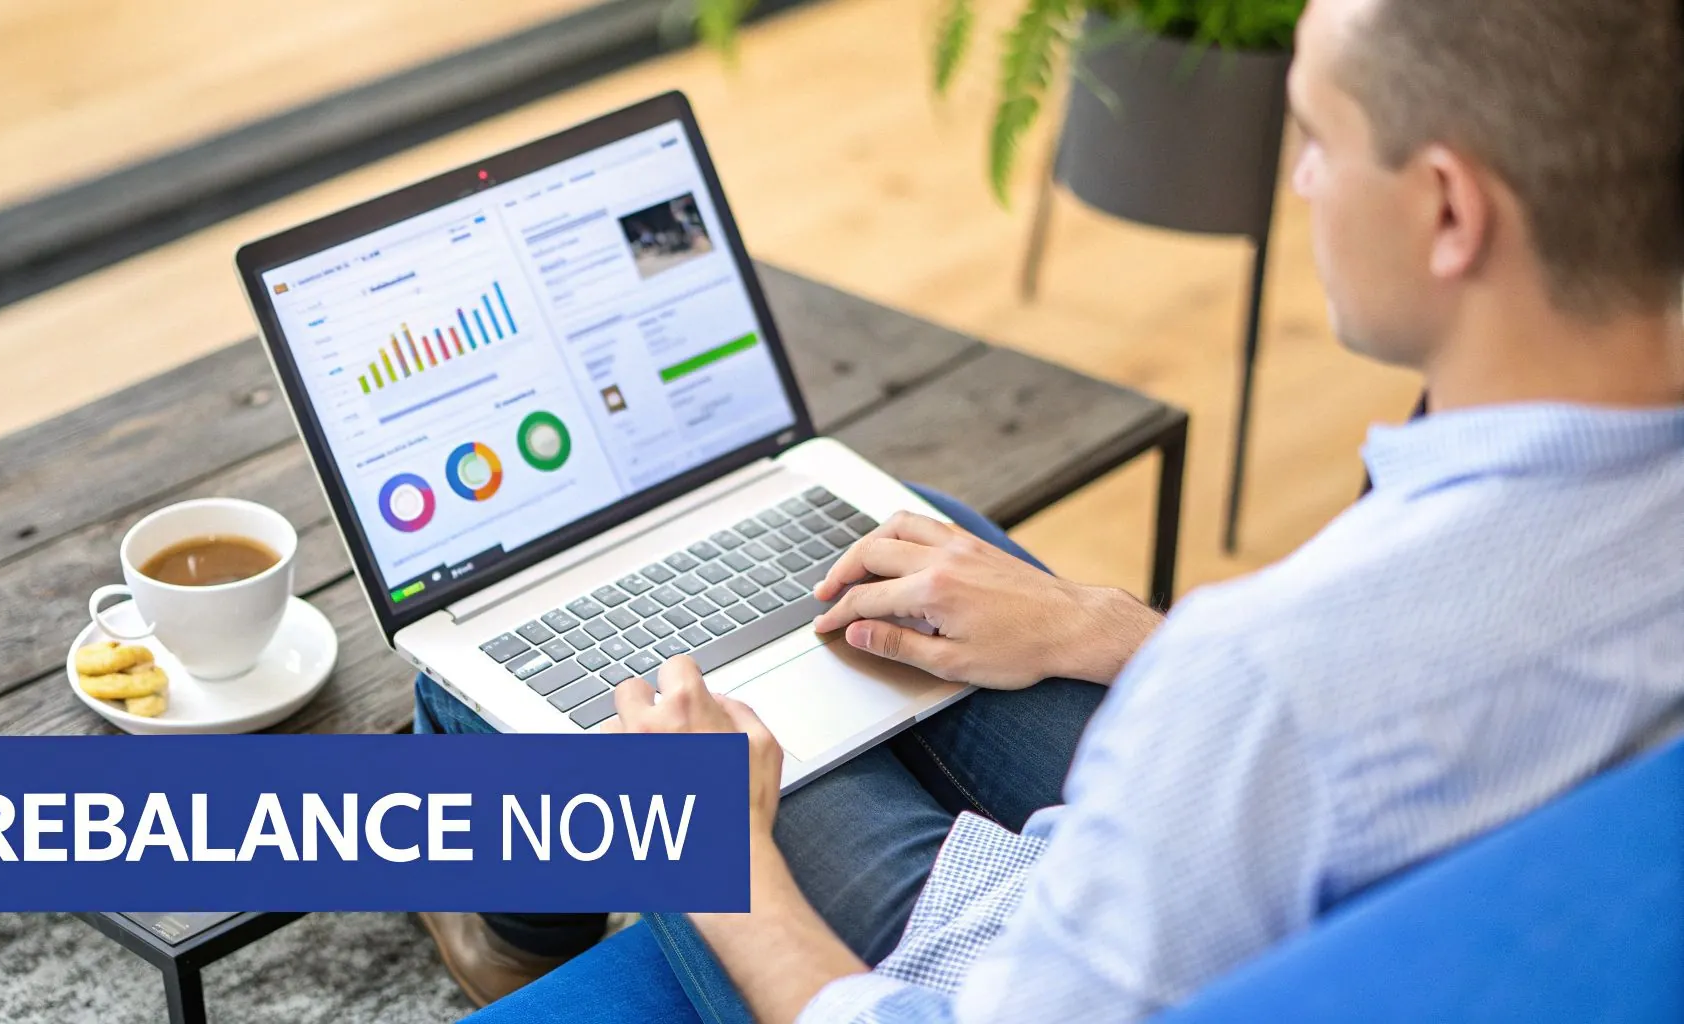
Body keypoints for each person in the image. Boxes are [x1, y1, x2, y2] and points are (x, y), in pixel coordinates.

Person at [418, 0, 1684, 1018]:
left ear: (1448, 211)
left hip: (992, 979)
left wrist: (724, 864)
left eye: (1315, 136)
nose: (1298, 178)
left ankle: (516, 939)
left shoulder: (1263, 683)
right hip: (1288, 893)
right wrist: (1101, 624)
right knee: (898, 537)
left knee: (584, 689)